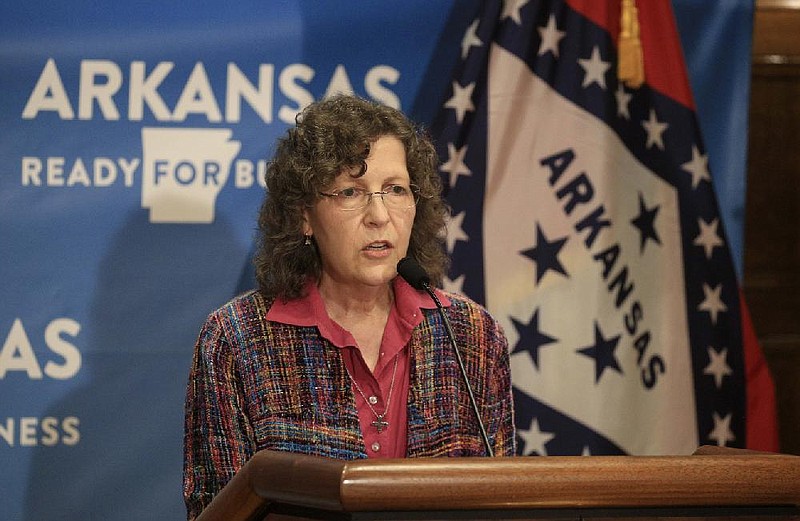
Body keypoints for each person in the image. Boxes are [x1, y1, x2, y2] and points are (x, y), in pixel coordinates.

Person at [182, 94, 515, 519]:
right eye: (350, 192)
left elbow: (504, 497)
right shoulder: (237, 339)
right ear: (304, 216)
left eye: (395, 189)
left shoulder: (472, 335)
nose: (379, 215)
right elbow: (216, 510)